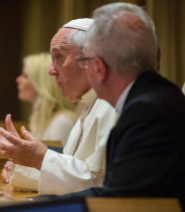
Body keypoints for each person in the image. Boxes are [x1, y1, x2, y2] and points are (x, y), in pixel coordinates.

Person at [39, 2, 185, 199]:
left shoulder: (148, 111)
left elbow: (119, 201)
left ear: (98, 68)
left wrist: (28, 207)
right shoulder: (157, 97)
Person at [0, 19, 118, 195]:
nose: (51, 70)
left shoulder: (112, 106)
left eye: (59, 57)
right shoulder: (89, 104)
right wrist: (21, 159)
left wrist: (40, 158)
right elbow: (73, 176)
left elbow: (98, 185)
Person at [1, 52, 77, 183]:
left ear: (40, 82)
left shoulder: (62, 122)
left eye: (25, 76)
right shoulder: (38, 120)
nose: (18, 79)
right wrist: (13, 169)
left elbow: (58, 173)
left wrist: (18, 172)